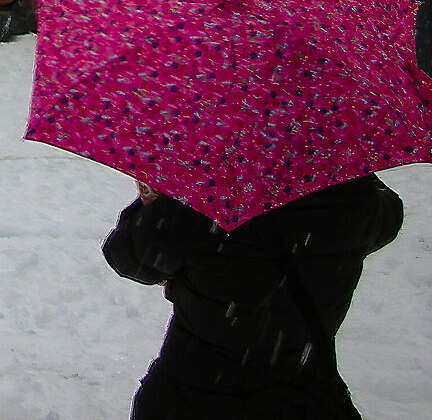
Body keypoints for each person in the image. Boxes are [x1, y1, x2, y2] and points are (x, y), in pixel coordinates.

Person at [105, 173, 404, 418]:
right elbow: (390, 217)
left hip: (197, 395)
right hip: (302, 397)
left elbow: (129, 256)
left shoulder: (207, 191)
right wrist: (355, 171)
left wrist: (154, 201)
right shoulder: (353, 197)